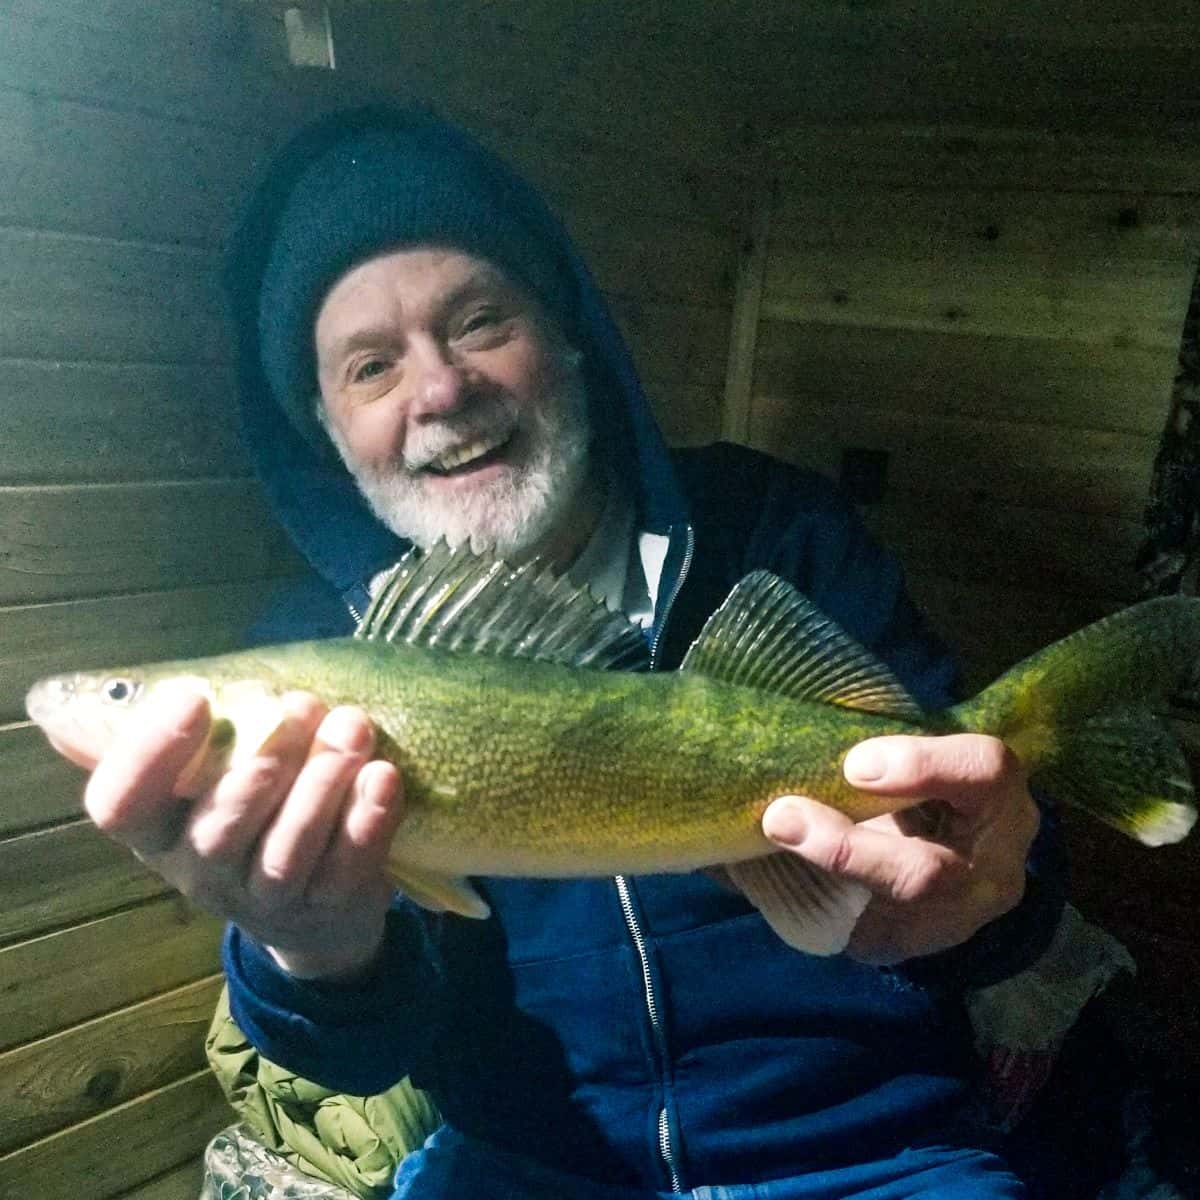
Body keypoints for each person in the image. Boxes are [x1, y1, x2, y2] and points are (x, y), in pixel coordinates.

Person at [81, 106, 1061, 1198]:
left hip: (866, 1155)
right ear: (325, 428)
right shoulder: (310, 656)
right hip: (524, 1164)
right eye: (369, 368)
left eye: (480, 319)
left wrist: (1000, 882)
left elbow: (1001, 903)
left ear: (570, 331)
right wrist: (307, 953)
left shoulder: (779, 532)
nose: (441, 392)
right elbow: (355, 1058)